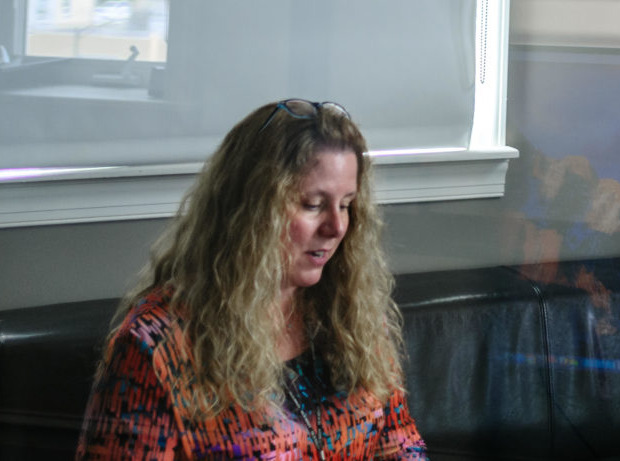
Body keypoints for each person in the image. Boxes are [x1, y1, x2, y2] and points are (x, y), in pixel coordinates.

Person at [78, 99, 426, 461]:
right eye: (312, 204)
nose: (336, 227)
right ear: (251, 210)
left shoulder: (351, 314)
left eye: (346, 205)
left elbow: (400, 443)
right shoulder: (157, 345)